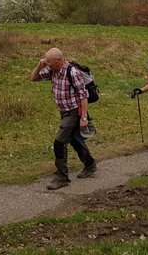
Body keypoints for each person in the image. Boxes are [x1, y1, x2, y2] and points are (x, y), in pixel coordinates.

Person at [31, 47, 97, 190]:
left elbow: (83, 96)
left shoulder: (72, 72)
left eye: (49, 62)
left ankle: (62, 177)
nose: (47, 64)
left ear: (58, 60)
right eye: (46, 62)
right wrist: (39, 65)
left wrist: (84, 117)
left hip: (74, 112)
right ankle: (90, 164)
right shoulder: (52, 70)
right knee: (75, 140)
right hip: (64, 111)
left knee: (59, 142)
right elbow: (34, 78)